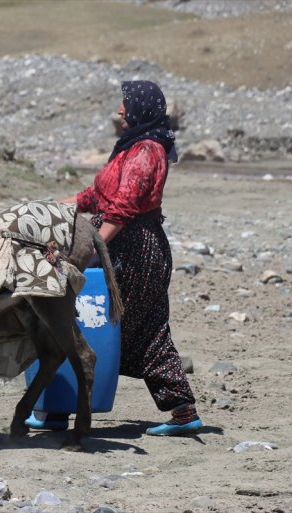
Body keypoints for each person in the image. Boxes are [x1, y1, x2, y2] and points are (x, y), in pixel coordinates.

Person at [50, 80, 203, 436]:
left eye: (126, 104)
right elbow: (98, 196)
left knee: (103, 325)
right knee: (135, 328)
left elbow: (123, 209)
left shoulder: (147, 151)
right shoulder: (132, 147)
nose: (120, 110)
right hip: (121, 244)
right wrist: (57, 206)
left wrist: (92, 251)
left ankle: (58, 408)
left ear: (141, 109)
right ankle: (182, 411)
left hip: (134, 252)